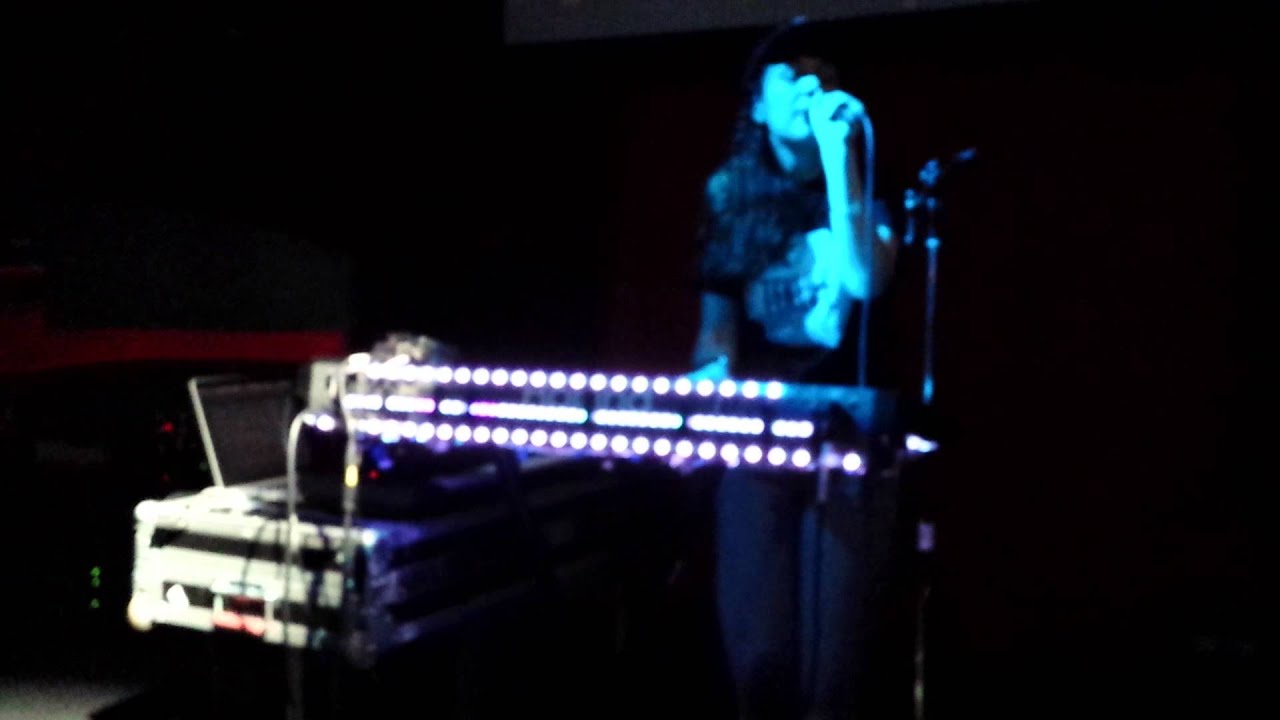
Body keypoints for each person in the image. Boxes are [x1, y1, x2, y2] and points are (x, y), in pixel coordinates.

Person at [689, 16, 910, 719]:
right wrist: (703, 396)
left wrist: (842, 160)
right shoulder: (729, 193)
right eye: (794, 72)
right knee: (759, 649)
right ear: (757, 103)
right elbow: (717, 329)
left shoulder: (872, 178)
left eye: (826, 73)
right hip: (758, 434)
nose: (813, 82)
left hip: (849, 438)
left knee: (834, 661)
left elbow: (864, 279)